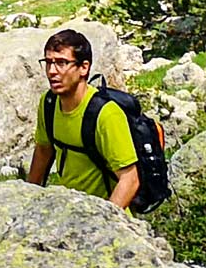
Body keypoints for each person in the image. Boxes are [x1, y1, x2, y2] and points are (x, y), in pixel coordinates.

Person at [26, 28, 140, 210]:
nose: (52, 71)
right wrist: (28, 203)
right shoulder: (48, 103)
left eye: (62, 63)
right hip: (68, 213)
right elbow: (43, 151)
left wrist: (105, 224)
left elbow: (130, 179)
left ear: (84, 68)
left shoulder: (107, 114)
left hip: (105, 222)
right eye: (48, 62)